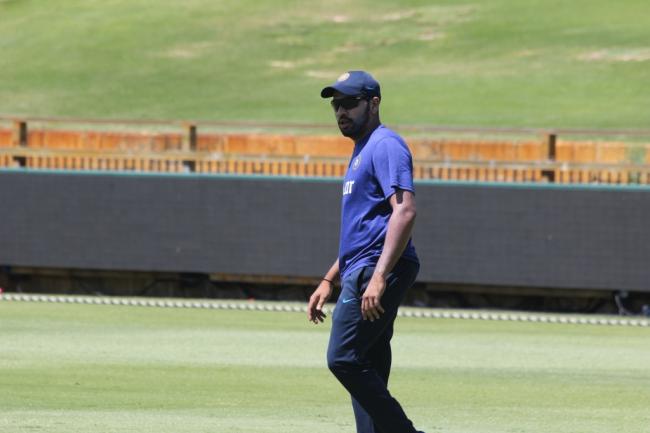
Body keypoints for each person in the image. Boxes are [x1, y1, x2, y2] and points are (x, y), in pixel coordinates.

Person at [307, 71, 425, 433]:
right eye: (336, 105)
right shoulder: (362, 149)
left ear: (373, 104)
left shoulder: (385, 145)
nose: (341, 112)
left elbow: (404, 211)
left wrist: (379, 276)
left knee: (342, 358)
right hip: (362, 266)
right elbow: (363, 230)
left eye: (349, 103)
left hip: (375, 268)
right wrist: (329, 279)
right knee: (365, 363)